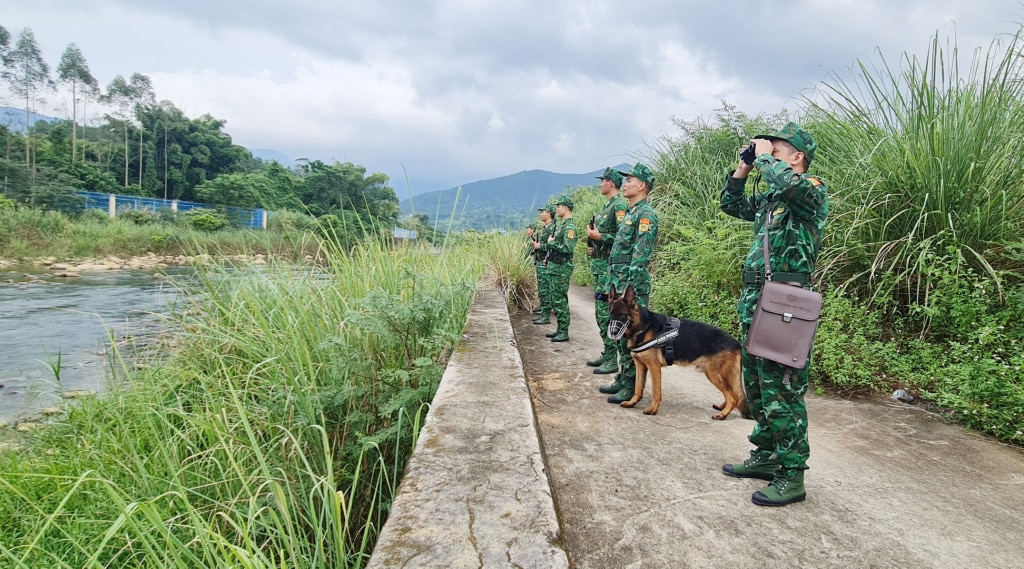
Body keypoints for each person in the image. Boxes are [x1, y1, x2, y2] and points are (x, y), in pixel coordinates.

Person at [719, 122, 828, 507]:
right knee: (760, 385)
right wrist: (745, 167)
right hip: (757, 300)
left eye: (776, 149)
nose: (768, 152)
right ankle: (766, 456)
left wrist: (766, 159)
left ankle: (792, 475)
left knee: (783, 388)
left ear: (797, 157)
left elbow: (790, 185)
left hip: (786, 302)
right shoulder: (773, 199)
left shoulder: (809, 189)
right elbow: (731, 204)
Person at [599, 163, 658, 403]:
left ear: (642, 185)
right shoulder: (632, 212)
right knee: (620, 333)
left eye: (630, 180)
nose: (626, 183)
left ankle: (633, 386)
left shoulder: (646, 214)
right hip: (619, 279)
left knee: (634, 335)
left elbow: (640, 255)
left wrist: (628, 291)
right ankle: (624, 378)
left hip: (630, 286)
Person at [586, 167, 629, 374]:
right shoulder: (608, 206)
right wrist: (595, 243)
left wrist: (600, 237)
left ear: (611, 182)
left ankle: (613, 359)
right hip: (601, 265)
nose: (600, 184)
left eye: (602, 180)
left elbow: (621, 236)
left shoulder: (619, 205)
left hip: (609, 269)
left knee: (607, 313)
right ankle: (608, 352)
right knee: (600, 312)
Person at [544, 195, 577, 342]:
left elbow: (567, 248)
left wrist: (551, 243)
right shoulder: (562, 225)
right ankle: (559, 328)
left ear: (566, 208)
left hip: (562, 268)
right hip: (555, 266)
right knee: (555, 298)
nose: (556, 209)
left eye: (559, 206)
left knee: (560, 299)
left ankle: (564, 330)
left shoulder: (569, 227)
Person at [530, 203, 557, 325]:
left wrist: (539, 245)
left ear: (549, 213)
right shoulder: (545, 228)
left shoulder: (552, 228)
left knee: (546, 288)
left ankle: (546, 314)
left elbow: (552, 246)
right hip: (540, 261)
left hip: (546, 262)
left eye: (543, 211)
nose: (541, 214)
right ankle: (544, 309)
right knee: (542, 288)